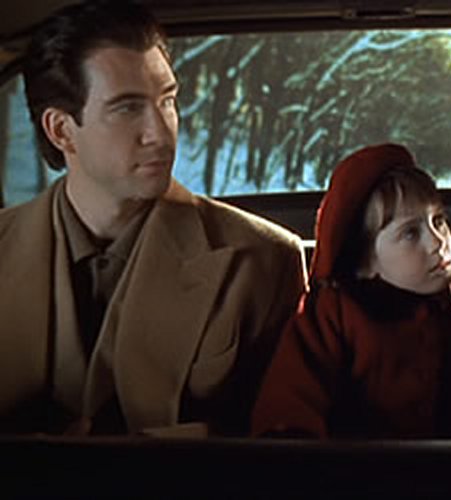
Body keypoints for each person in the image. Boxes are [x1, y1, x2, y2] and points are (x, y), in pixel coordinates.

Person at [0, 0, 307, 437]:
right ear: (62, 130)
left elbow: (270, 443)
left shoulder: (263, 259)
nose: (161, 133)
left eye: (167, 101)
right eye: (127, 108)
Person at [250, 144, 451, 438]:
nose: (438, 242)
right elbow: (289, 405)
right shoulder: (330, 318)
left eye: (438, 221)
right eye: (410, 233)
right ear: (364, 261)